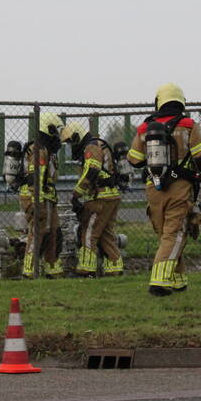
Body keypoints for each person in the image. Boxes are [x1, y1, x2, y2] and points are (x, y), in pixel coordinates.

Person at [126, 83, 201, 296]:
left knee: (166, 234)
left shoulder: (145, 127)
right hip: (180, 187)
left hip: (153, 187)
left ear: (159, 101)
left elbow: (133, 159)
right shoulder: (189, 125)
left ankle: (179, 281)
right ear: (180, 101)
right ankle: (159, 282)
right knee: (175, 233)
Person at [59, 122, 124, 277]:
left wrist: (76, 195)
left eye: (70, 142)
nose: (70, 145)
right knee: (106, 234)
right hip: (110, 195)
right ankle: (115, 268)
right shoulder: (97, 144)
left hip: (100, 197)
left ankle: (86, 269)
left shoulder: (91, 147)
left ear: (77, 136)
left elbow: (92, 171)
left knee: (88, 232)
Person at [19, 112, 65, 279]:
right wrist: (37, 201)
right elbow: (36, 177)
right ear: (49, 129)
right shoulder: (39, 149)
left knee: (53, 232)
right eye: (56, 130)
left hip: (47, 197)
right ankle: (29, 269)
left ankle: (52, 268)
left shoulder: (48, 151)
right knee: (38, 232)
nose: (58, 135)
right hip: (36, 197)